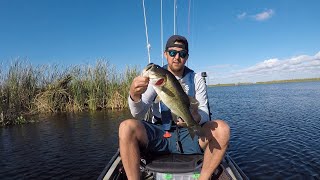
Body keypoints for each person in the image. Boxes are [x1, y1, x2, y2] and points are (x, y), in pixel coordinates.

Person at [119, 35, 230, 180]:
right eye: (172, 53)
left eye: (182, 54)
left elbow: (205, 114)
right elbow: (138, 114)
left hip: (188, 135)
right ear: (165, 54)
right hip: (160, 134)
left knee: (222, 129)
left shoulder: (196, 79)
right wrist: (134, 95)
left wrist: (196, 118)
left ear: (186, 57)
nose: (177, 57)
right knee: (126, 127)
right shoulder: (156, 80)